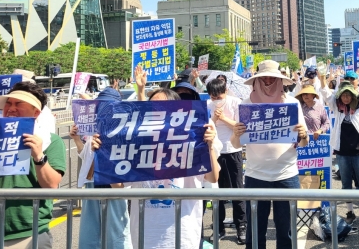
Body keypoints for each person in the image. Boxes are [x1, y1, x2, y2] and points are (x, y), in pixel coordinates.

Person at [92, 87, 220, 249]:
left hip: (183, 234)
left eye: (164, 107)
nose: (157, 111)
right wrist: (104, 155)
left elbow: (212, 177)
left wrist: (209, 146)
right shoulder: (137, 142)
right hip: (145, 235)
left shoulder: (194, 138)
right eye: (152, 106)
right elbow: (119, 187)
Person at [231, 60, 309, 249]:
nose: (267, 82)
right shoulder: (246, 105)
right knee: (255, 231)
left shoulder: (292, 103)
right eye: (263, 78)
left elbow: (304, 142)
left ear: (280, 81)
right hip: (255, 175)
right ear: (256, 81)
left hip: (287, 175)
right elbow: (235, 144)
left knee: (287, 231)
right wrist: (236, 134)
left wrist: (304, 135)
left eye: (272, 79)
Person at [0, 81, 66, 248]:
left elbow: (51, 186)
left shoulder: (50, 141)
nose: (11, 108)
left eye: (18, 103)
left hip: (28, 233)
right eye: (8, 103)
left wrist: (39, 156)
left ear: (36, 112)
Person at [70, 87, 131, 249]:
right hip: (93, 186)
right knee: (90, 236)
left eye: (109, 107)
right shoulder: (94, 131)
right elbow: (85, 157)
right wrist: (77, 139)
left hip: (114, 188)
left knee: (116, 236)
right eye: (101, 106)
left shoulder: (125, 131)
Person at [327, 79, 359, 227]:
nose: (346, 98)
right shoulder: (338, 108)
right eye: (343, 95)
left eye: (349, 95)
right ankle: (350, 212)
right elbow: (326, 94)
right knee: (345, 183)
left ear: (353, 96)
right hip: (342, 152)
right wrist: (323, 77)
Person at [207, 78, 246, 244]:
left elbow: (240, 126)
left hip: (232, 150)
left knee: (237, 191)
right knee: (217, 193)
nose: (217, 99)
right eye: (213, 96)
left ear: (226, 90)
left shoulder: (235, 102)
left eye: (219, 95)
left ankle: (241, 227)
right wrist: (214, 120)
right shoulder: (207, 105)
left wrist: (222, 117)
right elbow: (207, 127)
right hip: (215, 152)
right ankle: (218, 227)